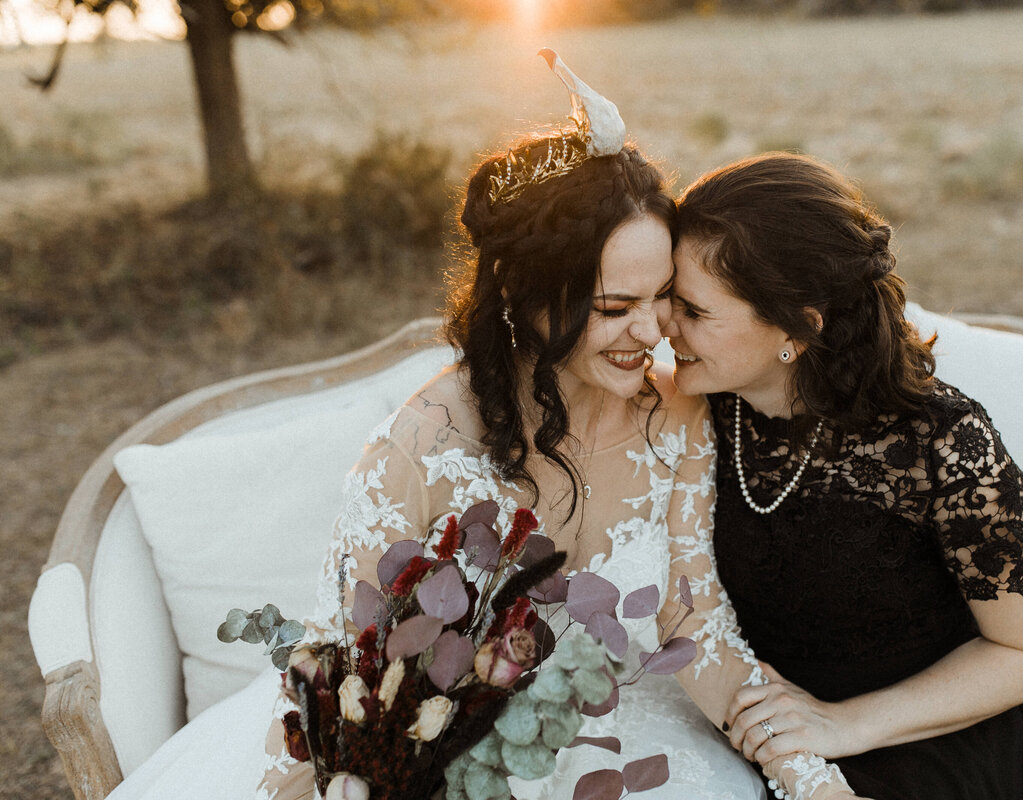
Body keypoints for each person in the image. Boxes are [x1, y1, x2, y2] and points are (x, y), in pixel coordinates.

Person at [256, 58, 859, 800]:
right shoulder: (419, 446)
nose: (653, 332)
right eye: (614, 308)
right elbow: (342, 674)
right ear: (522, 295)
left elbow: (694, 627)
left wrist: (809, 776)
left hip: (636, 737)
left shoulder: (679, 415)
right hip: (457, 759)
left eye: (663, 296)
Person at [663, 152, 1023, 800]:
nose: (666, 324)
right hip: (773, 736)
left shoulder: (942, 442)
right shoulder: (696, 414)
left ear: (799, 327)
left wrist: (842, 726)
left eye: (693, 310)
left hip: (933, 741)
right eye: (670, 297)